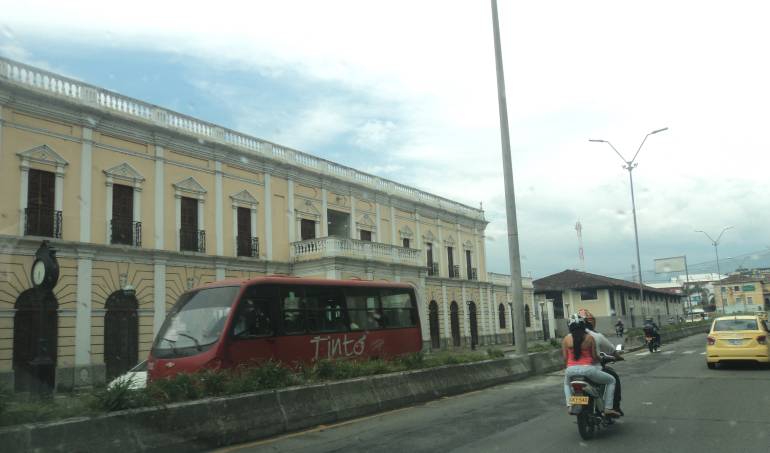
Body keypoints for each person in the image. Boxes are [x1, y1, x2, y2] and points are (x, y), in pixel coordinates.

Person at [562, 314, 619, 417]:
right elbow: (594, 357)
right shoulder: (589, 338)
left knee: (566, 384)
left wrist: (571, 366)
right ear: (584, 325)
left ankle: (570, 405)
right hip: (588, 370)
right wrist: (602, 359)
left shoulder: (566, 339)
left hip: (570, 371)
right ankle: (608, 408)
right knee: (611, 380)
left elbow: (565, 358)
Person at [578, 308, 624, 415]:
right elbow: (611, 350)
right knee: (613, 378)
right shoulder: (596, 336)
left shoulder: (569, 337)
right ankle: (613, 407)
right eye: (590, 320)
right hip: (592, 369)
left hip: (574, 370)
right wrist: (618, 357)